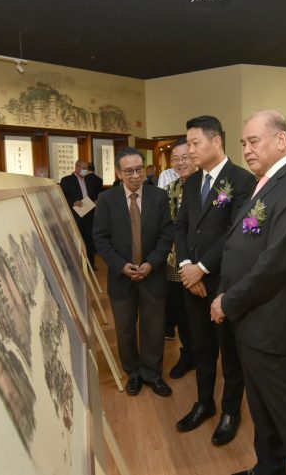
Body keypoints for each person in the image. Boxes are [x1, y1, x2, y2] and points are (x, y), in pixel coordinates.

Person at [212, 110, 286, 475]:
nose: (246, 150)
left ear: (281, 140)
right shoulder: (266, 182)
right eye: (243, 143)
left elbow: (277, 263)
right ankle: (268, 468)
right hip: (252, 320)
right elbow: (245, 244)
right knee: (262, 408)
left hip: (273, 323)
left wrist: (228, 301)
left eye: (254, 141)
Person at [175, 115, 255, 446]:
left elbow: (237, 232)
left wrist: (203, 267)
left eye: (195, 143)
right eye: (188, 143)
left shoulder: (242, 180)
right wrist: (186, 266)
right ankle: (204, 403)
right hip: (192, 282)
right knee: (201, 347)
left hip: (223, 282)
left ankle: (231, 411)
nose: (189, 150)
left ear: (216, 141)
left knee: (229, 351)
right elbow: (182, 225)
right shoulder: (192, 181)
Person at [93, 147, 174, 397]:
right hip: (121, 278)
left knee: (153, 328)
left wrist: (151, 263)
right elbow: (100, 239)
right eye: (129, 171)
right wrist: (121, 265)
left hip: (153, 274)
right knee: (125, 329)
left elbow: (166, 235)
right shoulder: (106, 200)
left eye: (139, 169)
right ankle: (134, 374)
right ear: (119, 173)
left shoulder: (159, 196)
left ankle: (152, 374)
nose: (136, 175)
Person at [164, 138, 196, 379]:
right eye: (176, 159)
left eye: (185, 157)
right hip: (175, 262)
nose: (181, 162)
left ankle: (205, 355)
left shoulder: (208, 187)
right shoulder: (171, 188)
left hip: (203, 263)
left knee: (202, 314)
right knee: (181, 311)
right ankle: (188, 355)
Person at [60, 159, 103, 269]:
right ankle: (77, 265)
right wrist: (73, 202)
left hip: (89, 214)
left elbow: (94, 195)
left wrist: (96, 201)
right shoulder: (66, 180)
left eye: (86, 169)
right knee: (75, 240)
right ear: (77, 167)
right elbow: (61, 197)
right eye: (84, 168)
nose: (85, 171)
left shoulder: (89, 180)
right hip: (75, 215)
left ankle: (90, 265)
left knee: (89, 240)